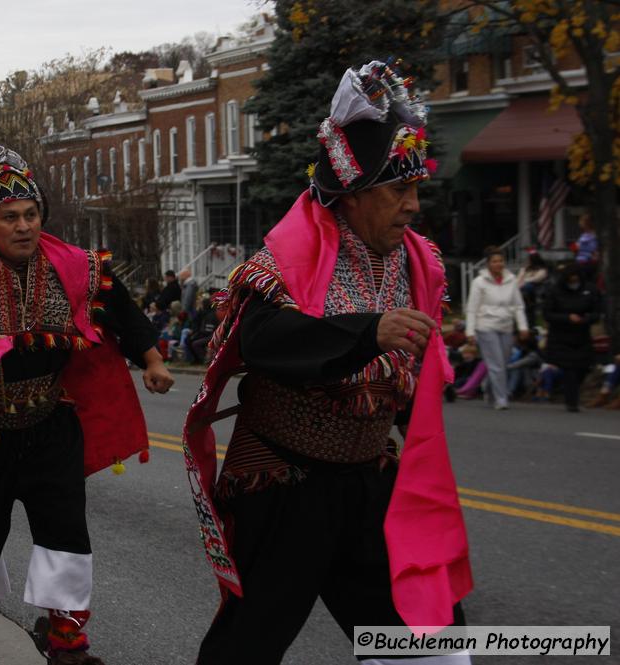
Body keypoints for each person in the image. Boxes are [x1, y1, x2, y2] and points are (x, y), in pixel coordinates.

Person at [182, 61, 471, 665]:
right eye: (399, 190)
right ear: (355, 192)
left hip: (369, 481)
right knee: (247, 646)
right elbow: (265, 342)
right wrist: (370, 332)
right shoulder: (289, 256)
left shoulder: (419, 262)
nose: (414, 206)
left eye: (417, 189)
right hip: (285, 485)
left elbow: (414, 376)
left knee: (431, 642)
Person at [0, 145, 173, 665]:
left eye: (31, 214)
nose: (23, 226)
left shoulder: (74, 266)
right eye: (10, 217)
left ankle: (67, 641)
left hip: (51, 424)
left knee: (65, 536)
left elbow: (123, 312)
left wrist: (153, 360)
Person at [465, 247, 529, 410]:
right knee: (496, 364)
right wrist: (470, 331)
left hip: (506, 325)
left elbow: (518, 306)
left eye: (501, 261)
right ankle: (502, 399)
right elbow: (472, 308)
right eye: (495, 261)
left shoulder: (511, 280)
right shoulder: (479, 282)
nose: (498, 264)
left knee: (503, 362)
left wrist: (522, 326)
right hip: (485, 326)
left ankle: (489, 390)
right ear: (488, 264)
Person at [542, 263, 600, 411]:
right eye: (570, 279)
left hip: (582, 335)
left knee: (582, 367)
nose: (573, 282)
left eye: (576, 279)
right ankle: (571, 402)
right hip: (561, 336)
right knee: (569, 369)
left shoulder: (590, 290)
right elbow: (548, 314)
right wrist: (567, 318)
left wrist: (585, 319)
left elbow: (596, 312)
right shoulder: (555, 291)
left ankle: (570, 390)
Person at [517, 251, 548, 327]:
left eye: (529, 259)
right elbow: (518, 280)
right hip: (521, 288)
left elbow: (535, 279)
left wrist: (523, 281)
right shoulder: (525, 269)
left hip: (533, 291)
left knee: (528, 286)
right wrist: (523, 273)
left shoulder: (542, 270)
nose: (528, 261)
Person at [574, 214, 598, 283]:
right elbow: (576, 246)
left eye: (582, 222)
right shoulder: (584, 234)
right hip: (580, 261)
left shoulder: (593, 235)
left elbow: (593, 249)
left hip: (588, 263)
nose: (581, 225)